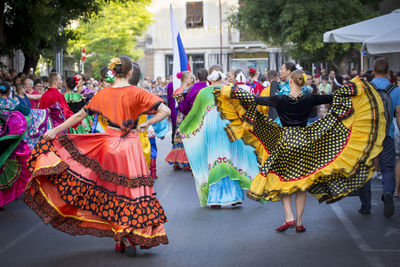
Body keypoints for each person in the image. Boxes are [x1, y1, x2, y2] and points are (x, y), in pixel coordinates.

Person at [24, 56, 170, 256]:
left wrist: (54, 131)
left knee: (112, 191)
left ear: (113, 73)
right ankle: (128, 231)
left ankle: (118, 234)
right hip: (131, 146)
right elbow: (166, 110)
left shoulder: (103, 93)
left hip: (109, 143)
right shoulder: (138, 92)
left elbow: (78, 116)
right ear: (130, 73)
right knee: (132, 191)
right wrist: (146, 123)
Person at [213, 70, 385, 231]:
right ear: (303, 83)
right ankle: (300, 222)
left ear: (290, 81)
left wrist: (232, 92)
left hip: (285, 143)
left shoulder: (279, 99)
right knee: (301, 183)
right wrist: (355, 88)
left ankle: (289, 217)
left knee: (283, 180)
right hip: (304, 141)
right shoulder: (310, 98)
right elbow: (333, 96)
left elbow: (254, 99)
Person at [180, 65, 258, 207]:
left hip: (212, 131)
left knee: (214, 159)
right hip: (229, 128)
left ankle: (216, 199)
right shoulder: (229, 91)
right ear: (221, 76)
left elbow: (194, 115)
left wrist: (184, 127)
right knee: (230, 158)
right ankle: (235, 196)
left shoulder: (203, 93)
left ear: (209, 77)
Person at [359, 57, 400, 217]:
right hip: (387, 135)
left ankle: (366, 206)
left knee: (366, 168)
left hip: (368, 135)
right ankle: (388, 191)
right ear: (388, 72)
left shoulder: (366, 88)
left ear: (373, 71)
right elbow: (398, 114)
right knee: (388, 167)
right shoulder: (396, 90)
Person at [0, 81, 31, 210]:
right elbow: (27, 111)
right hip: (8, 140)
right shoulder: (12, 103)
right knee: (3, 167)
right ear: (8, 92)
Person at [165, 71, 194, 171]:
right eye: (190, 78)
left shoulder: (178, 90)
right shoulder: (183, 91)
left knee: (179, 138)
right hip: (184, 116)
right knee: (184, 138)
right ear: (185, 79)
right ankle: (184, 163)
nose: (192, 80)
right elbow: (183, 105)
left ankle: (178, 162)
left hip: (180, 116)